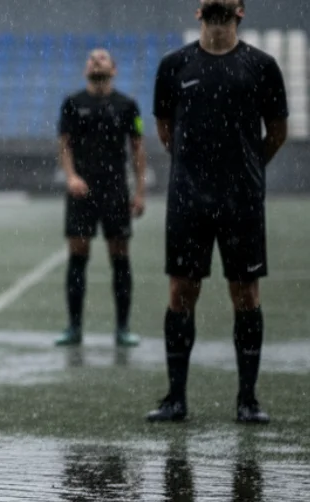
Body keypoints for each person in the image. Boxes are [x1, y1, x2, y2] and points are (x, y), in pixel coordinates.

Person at [148, 0, 288, 423]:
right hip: (188, 202)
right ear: (197, 11)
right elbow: (164, 129)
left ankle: (247, 400)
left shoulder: (262, 66)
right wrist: (198, 173)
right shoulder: (174, 65)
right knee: (180, 294)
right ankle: (176, 398)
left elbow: (278, 132)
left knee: (245, 295)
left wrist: (245, 170)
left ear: (241, 10)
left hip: (242, 203)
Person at [56, 49, 148, 348]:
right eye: (92, 58)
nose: (96, 60)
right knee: (77, 257)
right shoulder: (72, 104)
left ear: (114, 68)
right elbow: (64, 145)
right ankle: (74, 328)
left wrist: (139, 191)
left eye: (103, 58)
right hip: (82, 192)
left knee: (119, 257)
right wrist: (71, 176)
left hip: (115, 191)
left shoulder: (128, 106)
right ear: (85, 69)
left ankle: (122, 328)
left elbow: (137, 148)